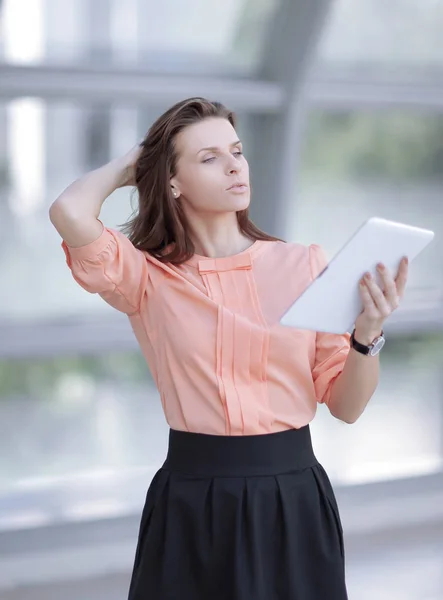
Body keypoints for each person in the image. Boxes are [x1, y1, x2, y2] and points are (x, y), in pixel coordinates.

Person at [49, 97, 408, 600]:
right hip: (192, 502)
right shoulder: (147, 276)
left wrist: (366, 336)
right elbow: (68, 210)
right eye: (209, 157)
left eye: (237, 151)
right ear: (172, 182)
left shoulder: (303, 264)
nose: (235, 164)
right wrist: (134, 163)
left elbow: (346, 407)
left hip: (294, 499)